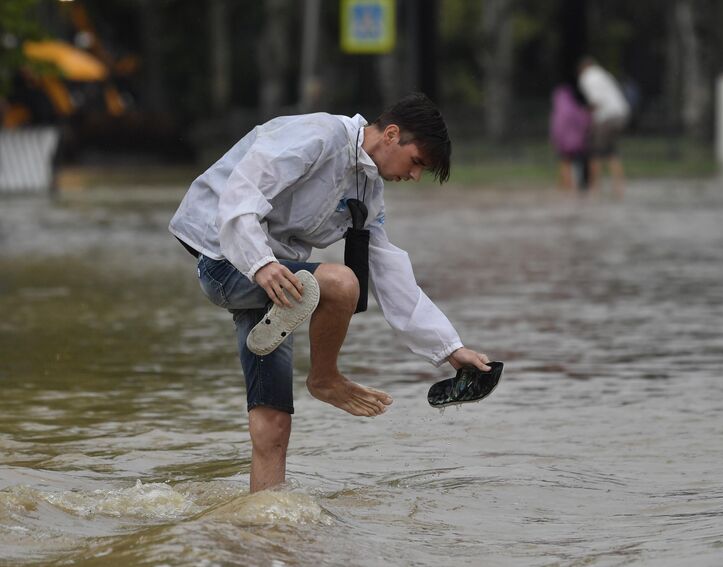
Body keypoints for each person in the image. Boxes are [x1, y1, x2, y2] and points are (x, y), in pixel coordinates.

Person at [169, 93, 491, 492]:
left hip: (279, 287)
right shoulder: (318, 136)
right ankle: (324, 378)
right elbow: (242, 192)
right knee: (341, 285)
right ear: (391, 135)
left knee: (273, 423)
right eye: (417, 163)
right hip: (224, 258)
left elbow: (389, 271)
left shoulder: (367, 192)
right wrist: (261, 263)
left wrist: (449, 350)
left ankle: (263, 527)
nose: (414, 177)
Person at [577, 57, 631, 196]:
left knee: (595, 152)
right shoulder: (603, 74)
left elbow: (596, 101)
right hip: (621, 115)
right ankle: (619, 187)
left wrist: (583, 113)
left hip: (607, 117)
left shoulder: (588, 77)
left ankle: (594, 187)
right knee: (611, 152)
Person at [549, 83, 591, 192]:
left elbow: (555, 130)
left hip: (563, 144)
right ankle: (577, 185)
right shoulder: (574, 108)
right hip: (577, 142)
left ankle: (566, 185)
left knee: (565, 163)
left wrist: (556, 142)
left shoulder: (557, 113)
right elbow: (584, 121)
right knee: (578, 163)